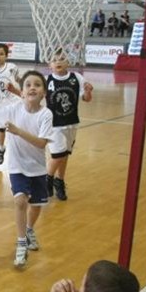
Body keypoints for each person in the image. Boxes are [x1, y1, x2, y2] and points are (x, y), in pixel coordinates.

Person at [0, 71, 54, 268]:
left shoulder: (46, 114)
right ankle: (21, 243)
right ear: (21, 92)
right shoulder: (13, 109)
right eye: (28, 84)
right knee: (20, 201)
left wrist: (18, 131)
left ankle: (30, 229)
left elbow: (41, 144)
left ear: (44, 93)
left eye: (37, 85)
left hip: (37, 168)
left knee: (36, 205)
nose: (32, 87)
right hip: (17, 167)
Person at [45, 53, 93, 201]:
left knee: (64, 154)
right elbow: (32, 95)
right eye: (54, 59)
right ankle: (47, 180)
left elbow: (86, 99)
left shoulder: (76, 78)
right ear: (49, 65)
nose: (58, 61)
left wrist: (88, 91)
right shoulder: (47, 80)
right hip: (53, 125)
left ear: (68, 63)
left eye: (61, 59)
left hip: (72, 122)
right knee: (58, 154)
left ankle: (59, 181)